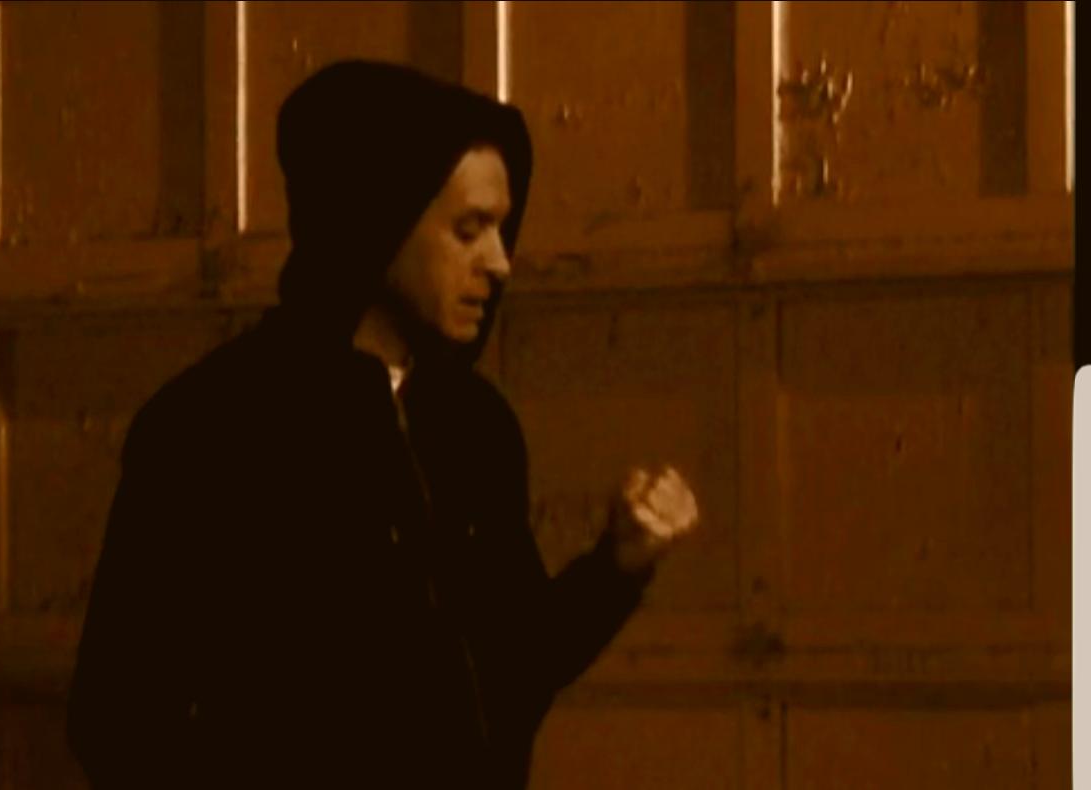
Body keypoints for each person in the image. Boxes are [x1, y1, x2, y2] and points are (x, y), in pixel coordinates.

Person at [67, 60, 698, 789]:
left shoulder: (474, 427)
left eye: (501, 228)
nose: (500, 262)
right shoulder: (212, 428)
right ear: (376, 221)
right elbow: (118, 722)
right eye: (469, 229)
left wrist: (618, 566)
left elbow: (511, 668)